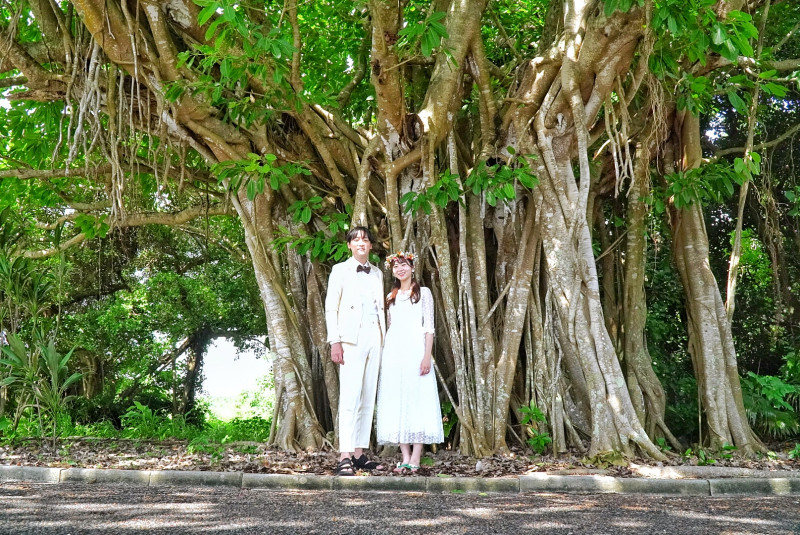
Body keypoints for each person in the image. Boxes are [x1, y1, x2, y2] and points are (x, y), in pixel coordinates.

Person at [324, 226, 387, 476]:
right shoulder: (340, 270)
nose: (361, 242)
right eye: (356, 239)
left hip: (375, 336)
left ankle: (360, 454)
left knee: (368, 396)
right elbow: (331, 307)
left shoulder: (378, 274)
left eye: (365, 239)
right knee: (349, 397)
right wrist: (334, 341)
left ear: (371, 246)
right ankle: (344, 455)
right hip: (350, 339)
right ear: (349, 245)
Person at [376, 251, 444, 472]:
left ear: (412, 268)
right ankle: (404, 455)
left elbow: (429, 327)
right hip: (394, 353)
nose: (401, 269)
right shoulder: (390, 297)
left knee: (417, 400)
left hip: (416, 350)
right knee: (397, 401)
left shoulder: (423, 293)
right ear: (393, 271)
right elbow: (389, 327)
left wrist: (427, 356)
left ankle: (416, 455)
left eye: (404, 265)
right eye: (396, 266)